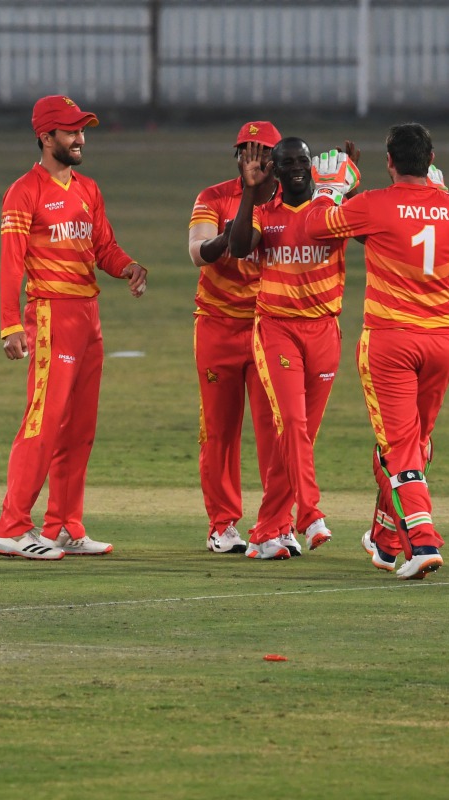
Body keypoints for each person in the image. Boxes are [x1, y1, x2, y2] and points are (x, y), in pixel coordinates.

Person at [303, 122, 449, 579]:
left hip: (390, 342)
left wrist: (329, 189)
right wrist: (443, 196)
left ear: (389, 162)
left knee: (399, 448)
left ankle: (424, 541)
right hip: (441, 343)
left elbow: (316, 228)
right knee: (412, 445)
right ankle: (388, 542)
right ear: (430, 162)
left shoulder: (374, 205)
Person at [0, 95, 148, 561]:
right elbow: (10, 264)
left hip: (88, 318)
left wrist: (128, 267)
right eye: (71, 131)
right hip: (51, 317)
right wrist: (9, 325)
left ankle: (63, 526)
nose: (80, 138)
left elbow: (103, 247)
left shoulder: (88, 189)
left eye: (83, 130)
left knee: (79, 429)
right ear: (45, 136)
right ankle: (12, 528)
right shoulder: (24, 191)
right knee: (43, 423)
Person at [227, 137, 354, 560]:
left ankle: (266, 530)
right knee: (293, 425)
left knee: (301, 436)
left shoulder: (332, 212)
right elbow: (240, 246)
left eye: (304, 161)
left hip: (325, 331)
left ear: (313, 168)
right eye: (289, 163)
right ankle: (310, 514)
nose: (298, 167)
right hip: (278, 330)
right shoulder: (266, 214)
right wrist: (249, 191)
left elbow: (370, 235)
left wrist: (347, 187)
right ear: (277, 171)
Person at [187, 121, 287, 555]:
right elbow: (198, 253)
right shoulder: (213, 197)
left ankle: (277, 524)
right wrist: (232, 235)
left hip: (271, 328)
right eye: (245, 150)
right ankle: (222, 525)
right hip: (218, 324)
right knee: (220, 432)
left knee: (276, 430)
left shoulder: (289, 202)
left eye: (261, 151)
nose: (253, 158)